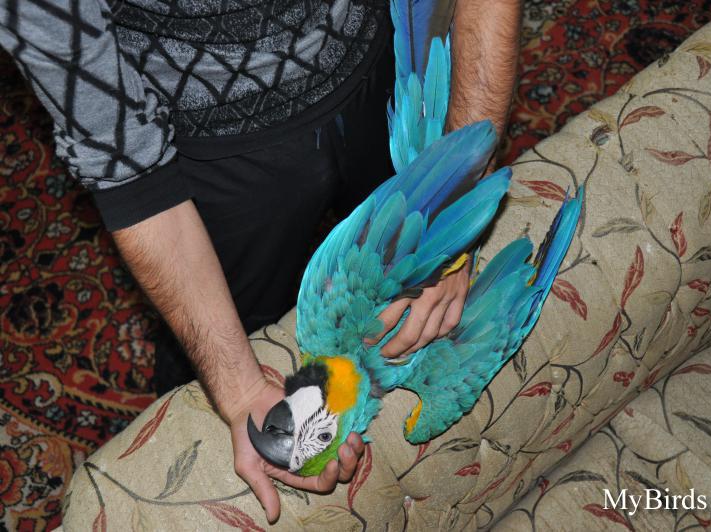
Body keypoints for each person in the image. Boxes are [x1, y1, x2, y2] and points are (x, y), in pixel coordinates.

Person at [0, 0, 521, 522]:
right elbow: (124, 169)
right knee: (211, 336)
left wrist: (451, 221)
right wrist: (239, 387)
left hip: (375, 53)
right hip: (201, 142)